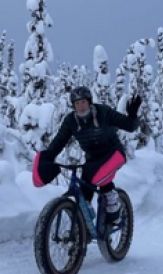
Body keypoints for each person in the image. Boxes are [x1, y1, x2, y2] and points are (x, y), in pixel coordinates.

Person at [33, 86, 141, 223]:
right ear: (73, 106)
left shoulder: (103, 112)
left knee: (100, 178)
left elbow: (130, 126)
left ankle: (113, 200)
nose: (81, 106)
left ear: (89, 101)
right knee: (84, 193)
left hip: (114, 153)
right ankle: (83, 227)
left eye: (83, 102)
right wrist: (48, 157)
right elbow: (60, 140)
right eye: (77, 103)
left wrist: (132, 116)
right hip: (92, 159)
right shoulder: (70, 121)